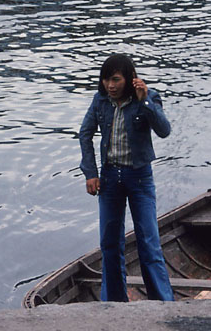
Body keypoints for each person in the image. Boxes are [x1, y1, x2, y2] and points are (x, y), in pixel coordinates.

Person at [78, 54, 174, 302]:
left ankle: (163, 304)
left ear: (130, 79)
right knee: (110, 244)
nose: (110, 85)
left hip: (140, 178)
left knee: (148, 243)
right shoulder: (100, 101)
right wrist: (91, 173)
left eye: (116, 80)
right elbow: (85, 134)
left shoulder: (148, 97)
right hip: (110, 179)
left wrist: (145, 103)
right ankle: (114, 303)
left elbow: (164, 131)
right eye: (106, 80)